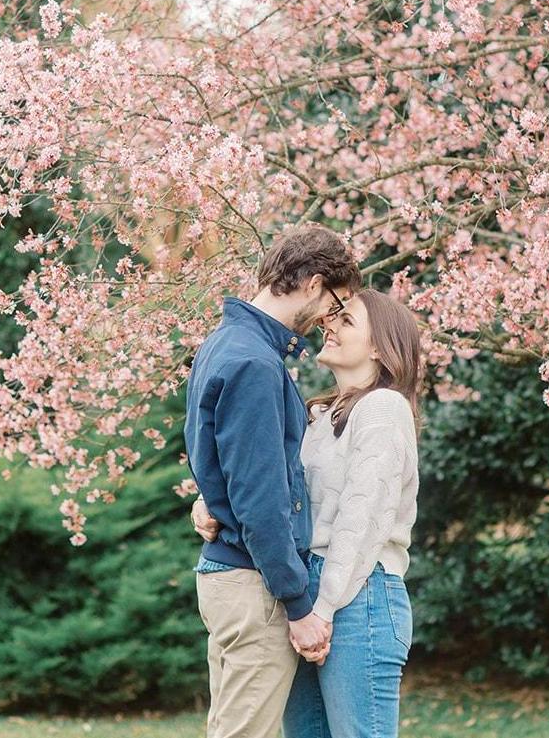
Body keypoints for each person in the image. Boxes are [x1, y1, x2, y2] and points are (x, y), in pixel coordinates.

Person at [193, 288, 421, 738]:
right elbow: (266, 485)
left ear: (380, 347)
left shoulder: (384, 408)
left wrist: (319, 610)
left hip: (359, 595)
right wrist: (207, 502)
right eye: (331, 316)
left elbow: (361, 523)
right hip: (304, 592)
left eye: (346, 320)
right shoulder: (317, 415)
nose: (327, 325)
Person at [184, 224, 362, 738]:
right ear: (313, 282)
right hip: (253, 585)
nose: (330, 317)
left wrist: (208, 500)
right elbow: (261, 500)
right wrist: (298, 603)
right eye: (335, 302)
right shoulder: (255, 363)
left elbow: (216, 458)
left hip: (228, 577)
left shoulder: (225, 344)